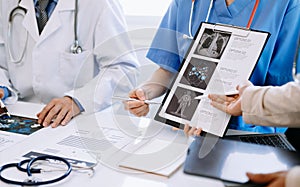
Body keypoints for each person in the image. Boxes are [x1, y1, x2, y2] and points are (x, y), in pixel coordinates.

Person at [125, 0, 300, 134]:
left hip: (247, 134)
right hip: (180, 129)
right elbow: (168, 68)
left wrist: (212, 117)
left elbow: (285, 90)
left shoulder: (287, 5)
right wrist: (145, 92)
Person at [0, 0, 138, 128]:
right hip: (19, 112)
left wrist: (78, 100)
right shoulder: (7, 3)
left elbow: (124, 70)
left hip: (80, 120)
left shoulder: (99, 4)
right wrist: (3, 88)